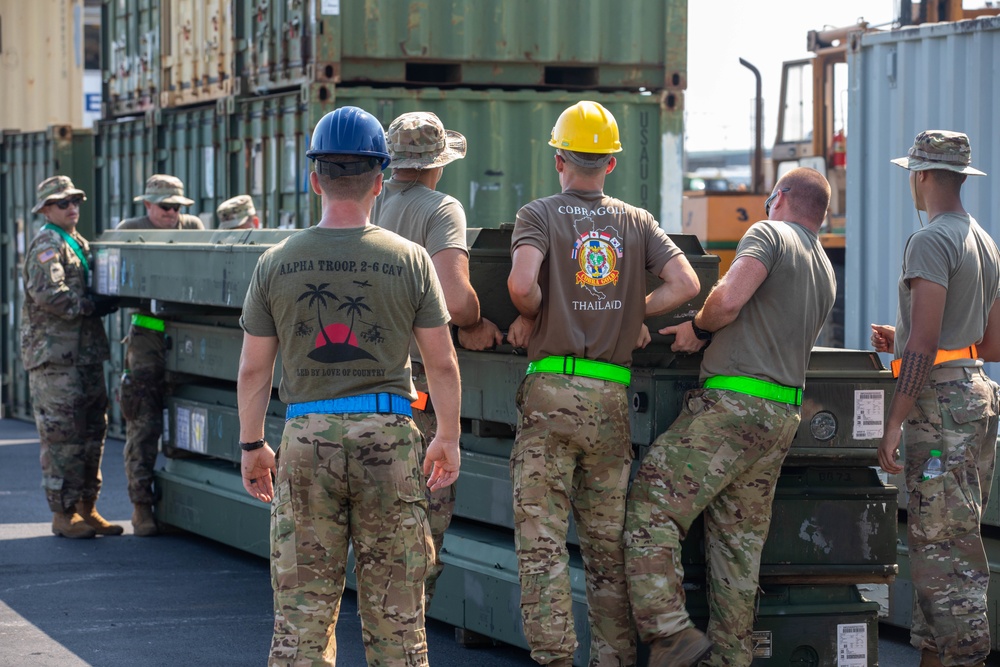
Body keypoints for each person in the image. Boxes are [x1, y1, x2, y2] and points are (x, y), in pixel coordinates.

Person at [236, 105, 462, 667]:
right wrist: (449, 438)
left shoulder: (275, 262)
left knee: (302, 618)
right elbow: (442, 362)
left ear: (315, 178)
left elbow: (253, 370)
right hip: (389, 437)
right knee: (398, 620)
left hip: (305, 438)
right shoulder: (409, 259)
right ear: (379, 181)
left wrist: (251, 446)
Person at [506, 100, 700, 667]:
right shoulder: (636, 222)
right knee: (606, 548)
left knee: (541, 544)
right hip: (611, 398)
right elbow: (686, 282)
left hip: (551, 393)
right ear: (611, 163)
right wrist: (632, 315)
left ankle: (555, 658)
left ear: (559, 157)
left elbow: (521, 285)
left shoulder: (538, 213)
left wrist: (538, 309)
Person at [624, 167, 836, 667]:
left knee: (652, 504)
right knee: (737, 552)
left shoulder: (769, 232)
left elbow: (729, 298)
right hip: (782, 415)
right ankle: (731, 660)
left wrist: (697, 327)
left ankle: (670, 631)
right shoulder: (823, 265)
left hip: (734, 408)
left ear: (779, 198)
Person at [871, 130, 1000, 667]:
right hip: (975, 399)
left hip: (939, 411)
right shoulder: (984, 240)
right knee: (952, 546)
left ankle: (968, 656)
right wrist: (902, 343)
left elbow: (924, 344)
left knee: (942, 560)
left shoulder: (929, 240)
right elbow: (990, 344)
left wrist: (894, 421)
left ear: (920, 175)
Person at [372, 110, 504, 603]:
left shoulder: (370, 200)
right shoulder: (440, 208)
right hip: (419, 392)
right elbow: (454, 298)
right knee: (422, 528)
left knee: (380, 527)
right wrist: (475, 323)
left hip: (369, 384)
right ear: (438, 162)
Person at [21, 175, 122, 539]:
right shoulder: (47, 244)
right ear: (47, 209)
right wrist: (91, 306)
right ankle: (63, 513)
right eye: (63, 203)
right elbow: (50, 293)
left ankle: (86, 506)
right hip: (56, 360)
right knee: (62, 437)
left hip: (86, 355)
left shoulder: (76, 241)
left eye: (75, 201)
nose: (72, 208)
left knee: (93, 431)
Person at [116, 174, 204, 536]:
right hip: (149, 335)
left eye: (177, 208)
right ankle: (141, 506)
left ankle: (184, 502)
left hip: (188, 334)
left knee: (190, 415)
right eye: (165, 207)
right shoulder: (131, 230)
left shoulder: (193, 227)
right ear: (148, 205)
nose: (172, 214)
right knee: (144, 420)